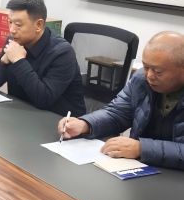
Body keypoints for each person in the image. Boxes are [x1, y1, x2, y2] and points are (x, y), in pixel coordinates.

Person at [58, 31, 184, 169]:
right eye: (146, 67)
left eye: (158, 71)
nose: (149, 75)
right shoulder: (141, 80)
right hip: (139, 166)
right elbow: (117, 113)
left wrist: (141, 148)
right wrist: (86, 124)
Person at [0, 0, 85, 117]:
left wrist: (19, 61)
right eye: (10, 22)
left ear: (38, 25)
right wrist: (2, 61)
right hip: (22, 114)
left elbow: (44, 99)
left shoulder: (62, 52)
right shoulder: (14, 41)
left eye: (18, 24)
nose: (12, 30)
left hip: (58, 121)